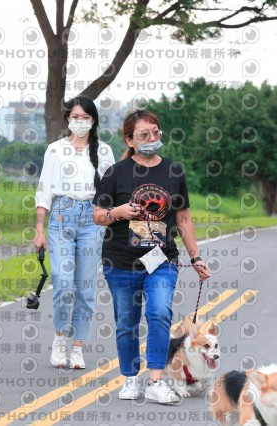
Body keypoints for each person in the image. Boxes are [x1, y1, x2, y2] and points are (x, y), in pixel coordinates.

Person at [93, 110, 210, 404]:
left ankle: (156, 381)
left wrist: (196, 258)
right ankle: (130, 379)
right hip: (120, 261)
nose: (152, 138)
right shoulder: (116, 173)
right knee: (126, 322)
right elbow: (98, 216)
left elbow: (183, 218)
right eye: (144, 135)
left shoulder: (173, 170)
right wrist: (119, 212)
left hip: (162, 259)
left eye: (156, 132)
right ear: (129, 140)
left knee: (159, 313)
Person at [34, 96, 115, 369]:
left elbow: (111, 191)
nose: (80, 122)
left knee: (86, 287)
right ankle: (59, 339)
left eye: (85, 118)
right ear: (68, 119)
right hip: (61, 216)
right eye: (75, 117)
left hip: (93, 219)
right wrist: (39, 229)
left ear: (93, 121)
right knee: (63, 282)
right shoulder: (55, 150)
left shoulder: (104, 151)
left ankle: (78, 347)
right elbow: (44, 190)